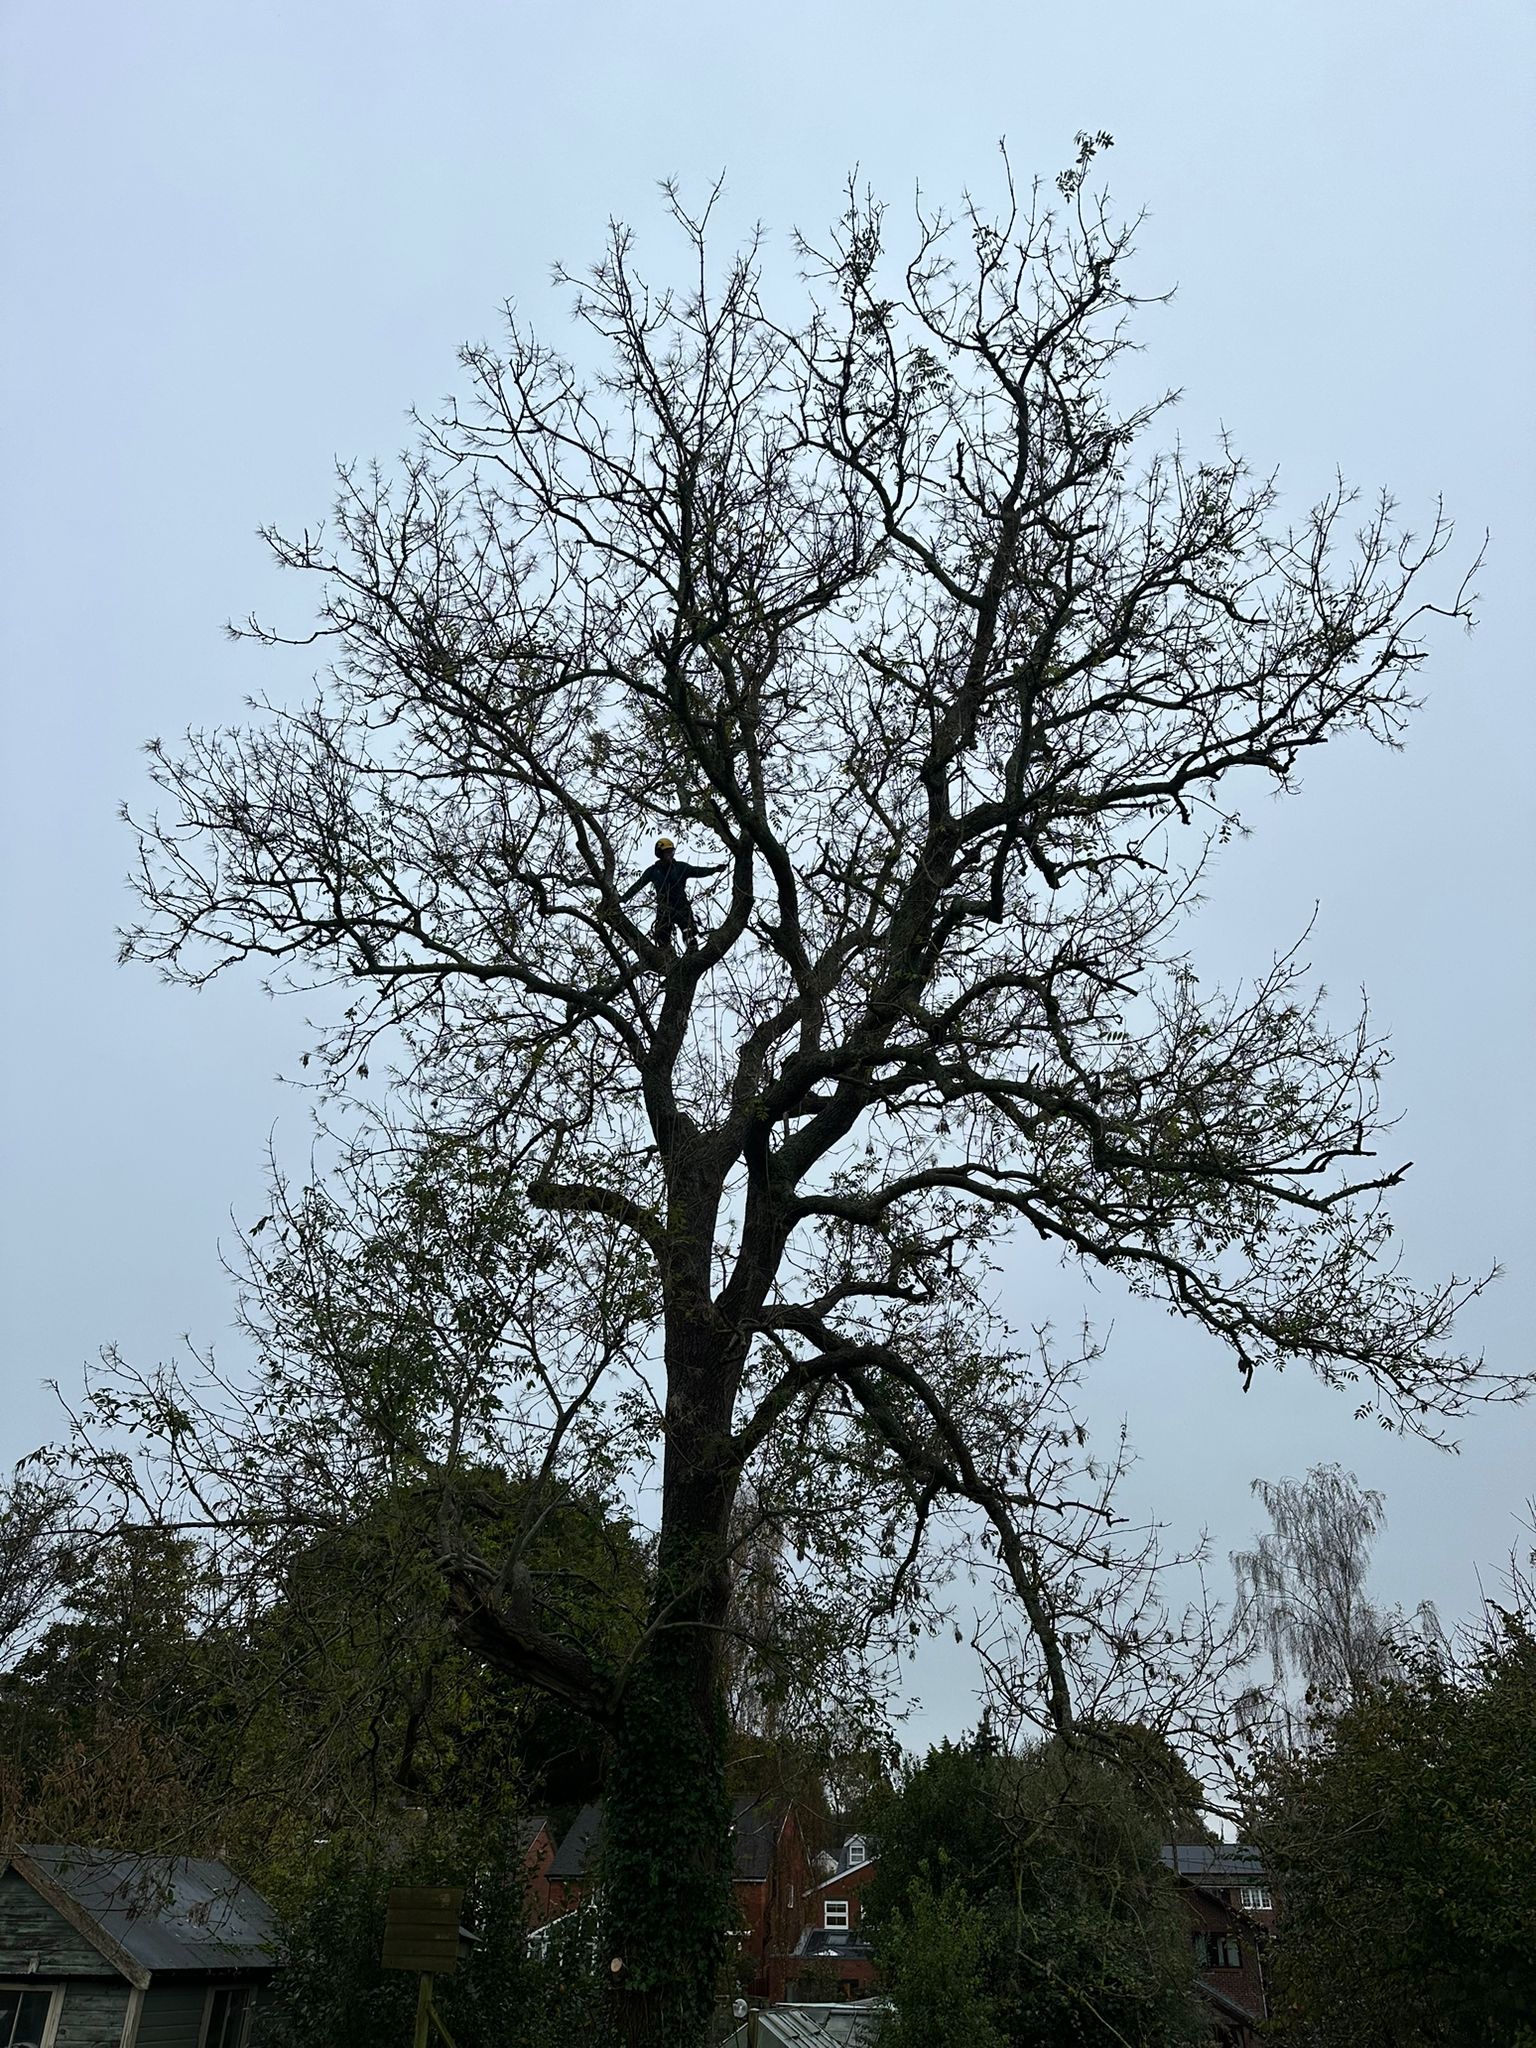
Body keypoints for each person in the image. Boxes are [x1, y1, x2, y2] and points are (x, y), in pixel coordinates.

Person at [621, 837, 724, 952]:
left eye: (672, 852)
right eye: (667, 852)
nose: (671, 854)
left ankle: (693, 953)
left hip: (681, 906)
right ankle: (667, 957)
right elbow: (638, 885)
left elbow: (697, 871)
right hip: (664, 909)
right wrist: (623, 898)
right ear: (660, 853)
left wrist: (714, 870)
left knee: (688, 933)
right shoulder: (653, 871)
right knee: (661, 937)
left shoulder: (680, 867)